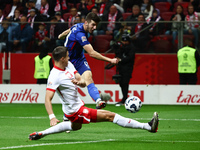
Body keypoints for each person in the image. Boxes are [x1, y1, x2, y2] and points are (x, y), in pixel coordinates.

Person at [28, 46, 159, 140]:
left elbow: (82, 81)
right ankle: (147, 127)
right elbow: (47, 98)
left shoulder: (68, 65)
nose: (69, 58)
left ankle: (41, 134)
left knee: (75, 127)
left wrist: (81, 82)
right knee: (110, 116)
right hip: (75, 111)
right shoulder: (54, 76)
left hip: (74, 107)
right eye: (67, 56)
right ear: (62, 58)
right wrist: (51, 117)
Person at [58, 12, 119, 109]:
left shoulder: (79, 25)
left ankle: (98, 101)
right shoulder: (80, 34)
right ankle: (68, 112)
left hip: (79, 59)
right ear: (86, 22)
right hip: (68, 61)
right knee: (73, 86)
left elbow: (68, 31)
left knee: (88, 78)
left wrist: (61, 36)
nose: (95, 28)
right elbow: (92, 53)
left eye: (96, 25)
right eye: (93, 25)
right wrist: (110, 60)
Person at [112, 32, 135, 106]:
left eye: (126, 41)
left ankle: (125, 99)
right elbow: (118, 54)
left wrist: (121, 60)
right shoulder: (121, 47)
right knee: (121, 83)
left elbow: (130, 58)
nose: (124, 42)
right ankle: (124, 98)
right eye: (123, 41)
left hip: (127, 68)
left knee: (125, 83)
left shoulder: (131, 47)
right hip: (121, 67)